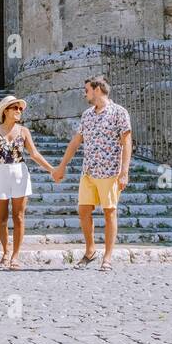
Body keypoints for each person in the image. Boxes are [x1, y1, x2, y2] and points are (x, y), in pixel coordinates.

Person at [52, 76, 132, 272]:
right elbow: (76, 141)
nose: (84, 93)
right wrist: (61, 166)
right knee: (83, 210)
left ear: (97, 89)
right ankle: (90, 251)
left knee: (109, 212)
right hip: (88, 171)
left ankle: (108, 257)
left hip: (110, 171)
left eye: (86, 89)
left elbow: (127, 142)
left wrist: (124, 171)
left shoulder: (119, 113)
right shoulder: (87, 115)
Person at [0, 96, 56, 269]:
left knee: (19, 217)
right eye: (14, 108)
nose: (18, 111)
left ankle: (15, 256)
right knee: (1, 218)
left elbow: (35, 154)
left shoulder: (24, 131)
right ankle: (5, 251)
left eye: (20, 108)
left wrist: (53, 170)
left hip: (19, 174)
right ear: (6, 111)